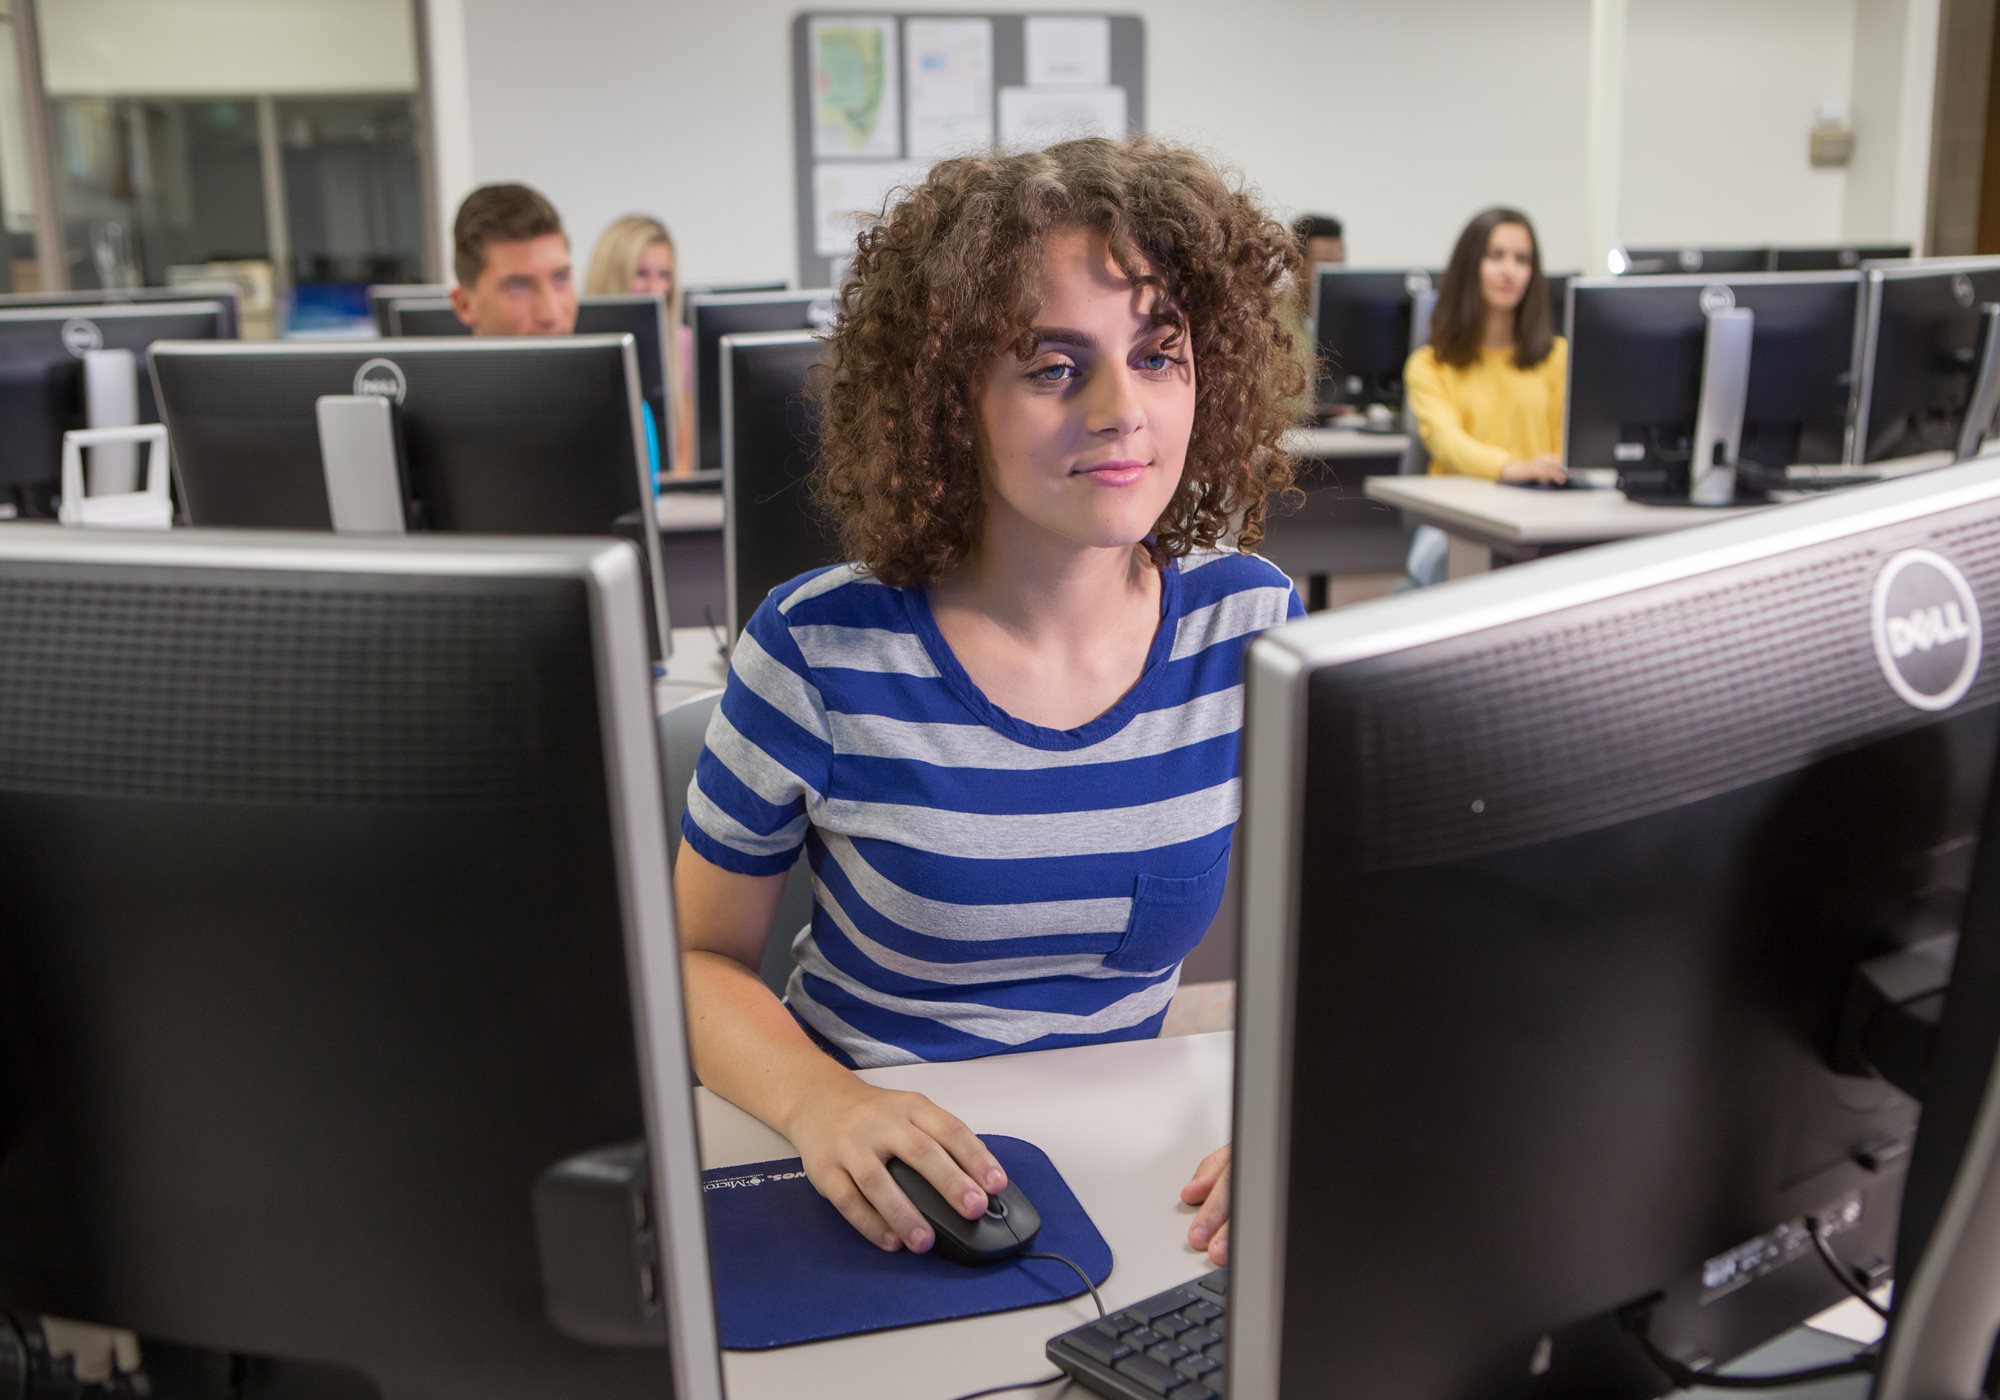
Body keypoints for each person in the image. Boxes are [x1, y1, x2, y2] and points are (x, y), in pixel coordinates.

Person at [673, 136, 1306, 1270]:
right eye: (1054, 366)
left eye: (1158, 355)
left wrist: (1304, 1107)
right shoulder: (817, 648)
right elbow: (692, 959)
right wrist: (823, 1103)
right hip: (870, 1161)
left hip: (1125, 1162)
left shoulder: (1248, 629)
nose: (1122, 409)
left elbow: (1351, 937)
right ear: (950, 400)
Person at [447, 183, 662, 482]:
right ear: (464, 305)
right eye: (518, 286)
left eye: (561, 278)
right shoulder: (430, 423)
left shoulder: (626, 415)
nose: (550, 313)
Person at [1403, 206, 1567, 485]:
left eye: (1522, 259)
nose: (1510, 271)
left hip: (1539, 505)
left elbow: (1564, 447)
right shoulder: (1429, 365)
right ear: (1469, 265)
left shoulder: (1557, 356)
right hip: (1457, 513)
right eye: (1495, 256)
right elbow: (1448, 445)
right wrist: (1509, 468)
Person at [587, 214, 696, 476]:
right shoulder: (578, 347)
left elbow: (685, 458)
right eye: (641, 274)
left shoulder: (684, 344)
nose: (655, 289)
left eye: (664, 275)